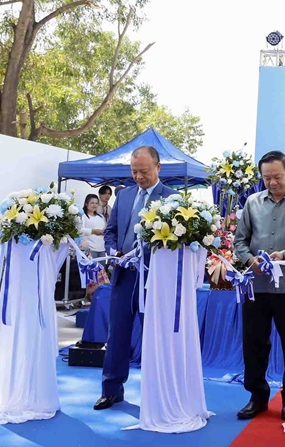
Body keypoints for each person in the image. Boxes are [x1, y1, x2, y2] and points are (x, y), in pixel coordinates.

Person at [94, 146, 179, 411]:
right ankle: (111, 390)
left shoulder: (173, 198)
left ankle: (158, 392)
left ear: (158, 167)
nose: (139, 177)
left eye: (144, 171)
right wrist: (113, 251)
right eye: (134, 172)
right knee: (117, 333)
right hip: (124, 276)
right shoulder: (125, 195)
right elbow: (111, 232)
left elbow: (176, 242)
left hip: (154, 279)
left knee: (155, 335)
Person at [234, 151, 285, 421]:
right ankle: (257, 397)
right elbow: (240, 241)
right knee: (254, 344)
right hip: (256, 285)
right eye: (266, 178)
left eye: (277, 177)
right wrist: (249, 259)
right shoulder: (252, 202)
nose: (272, 182)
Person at [80, 194, 107, 260]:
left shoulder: (101, 216)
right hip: (90, 249)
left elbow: (106, 228)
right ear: (86, 203)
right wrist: (93, 231)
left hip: (102, 249)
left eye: (96, 203)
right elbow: (79, 230)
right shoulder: (83, 216)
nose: (94, 205)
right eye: (92, 203)